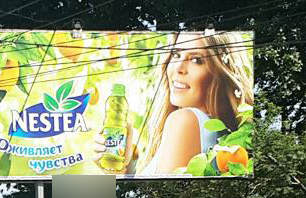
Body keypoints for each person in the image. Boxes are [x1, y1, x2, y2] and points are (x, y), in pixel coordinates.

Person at [95, 31, 253, 175]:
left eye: (196, 60)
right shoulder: (227, 139)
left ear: (219, 71)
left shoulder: (185, 120)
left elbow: (157, 196)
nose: (179, 68)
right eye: (176, 54)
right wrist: (123, 170)